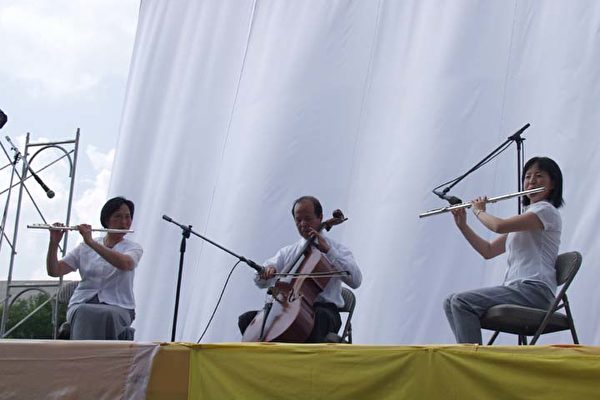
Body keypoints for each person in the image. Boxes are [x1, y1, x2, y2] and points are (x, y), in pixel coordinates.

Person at [443, 157, 563, 344]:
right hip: (518, 289)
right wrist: (463, 225)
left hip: (535, 291)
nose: (532, 181)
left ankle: (473, 358)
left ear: (553, 183)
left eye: (539, 176)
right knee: (450, 302)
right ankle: (470, 354)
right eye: (528, 176)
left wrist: (478, 211)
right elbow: (488, 250)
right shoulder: (528, 217)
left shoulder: (546, 211)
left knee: (461, 302)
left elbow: (499, 226)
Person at [238, 196, 362, 343]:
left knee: (318, 318)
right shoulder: (288, 252)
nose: (303, 224)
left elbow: (356, 280)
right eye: (298, 220)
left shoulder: (337, 250)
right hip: (288, 309)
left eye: (307, 219)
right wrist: (265, 272)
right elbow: (260, 282)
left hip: (325, 312)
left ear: (320, 217)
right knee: (246, 320)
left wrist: (329, 251)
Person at [46, 196, 143, 340]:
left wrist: (91, 242)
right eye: (118, 216)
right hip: (82, 303)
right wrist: (53, 243)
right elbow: (54, 271)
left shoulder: (133, 248)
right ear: (106, 220)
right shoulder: (84, 247)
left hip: (119, 306)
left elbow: (126, 264)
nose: (124, 222)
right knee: (83, 311)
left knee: (107, 315)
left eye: (127, 217)